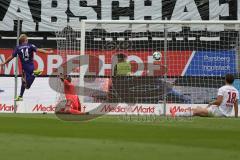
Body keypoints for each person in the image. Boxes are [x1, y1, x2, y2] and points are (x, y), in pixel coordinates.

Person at [0, 34, 53, 101]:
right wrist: (48, 52)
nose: (27, 40)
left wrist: (4, 63)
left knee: (26, 85)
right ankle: (21, 96)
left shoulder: (18, 48)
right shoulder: (30, 45)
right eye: (27, 39)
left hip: (25, 67)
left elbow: (11, 57)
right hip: (31, 66)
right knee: (24, 83)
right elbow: (39, 50)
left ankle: (34, 75)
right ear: (25, 40)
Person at [171, 74, 239, 118]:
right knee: (198, 110)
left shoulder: (223, 89)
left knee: (196, 111)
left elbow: (219, 102)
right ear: (233, 81)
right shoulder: (236, 91)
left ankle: (176, 115)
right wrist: (236, 116)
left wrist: (211, 103)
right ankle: (177, 114)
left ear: (225, 79)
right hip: (224, 113)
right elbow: (235, 104)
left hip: (219, 112)